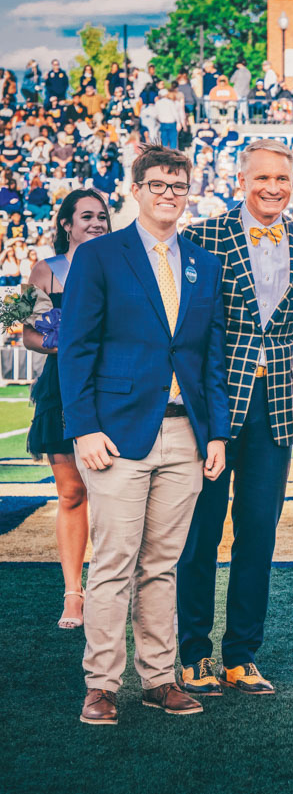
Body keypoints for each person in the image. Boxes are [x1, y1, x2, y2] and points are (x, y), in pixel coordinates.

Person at [58, 145, 230, 725]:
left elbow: (210, 358)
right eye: (157, 184)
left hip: (186, 434)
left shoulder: (204, 263)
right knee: (112, 563)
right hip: (118, 435)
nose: (168, 194)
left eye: (178, 186)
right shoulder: (101, 255)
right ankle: (102, 684)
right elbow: (76, 348)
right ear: (136, 189)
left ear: (189, 192)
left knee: (163, 563)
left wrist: (217, 434)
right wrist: (82, 427)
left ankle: (159, 678)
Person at [174, 139, 293, 698]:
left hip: (277, 408)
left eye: (283, 179)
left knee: (258, 535)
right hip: (215, 405)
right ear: (241, 181)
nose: (273, 188)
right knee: (200, 535)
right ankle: (193, 653)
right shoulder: (204, 235)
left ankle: (241, 655)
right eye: (262, 178)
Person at [23, 189, 111, 630]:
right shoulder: (46, 270)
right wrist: (60, 342)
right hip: (60, 387)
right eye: (87, 216)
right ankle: (73, 593)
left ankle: (110, 588)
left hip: (111, 390)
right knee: (72, 493)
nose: (96, 223)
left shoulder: (122, 266)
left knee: (114, 496)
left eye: (102, 217)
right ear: (66, 224)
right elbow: (26, 334)